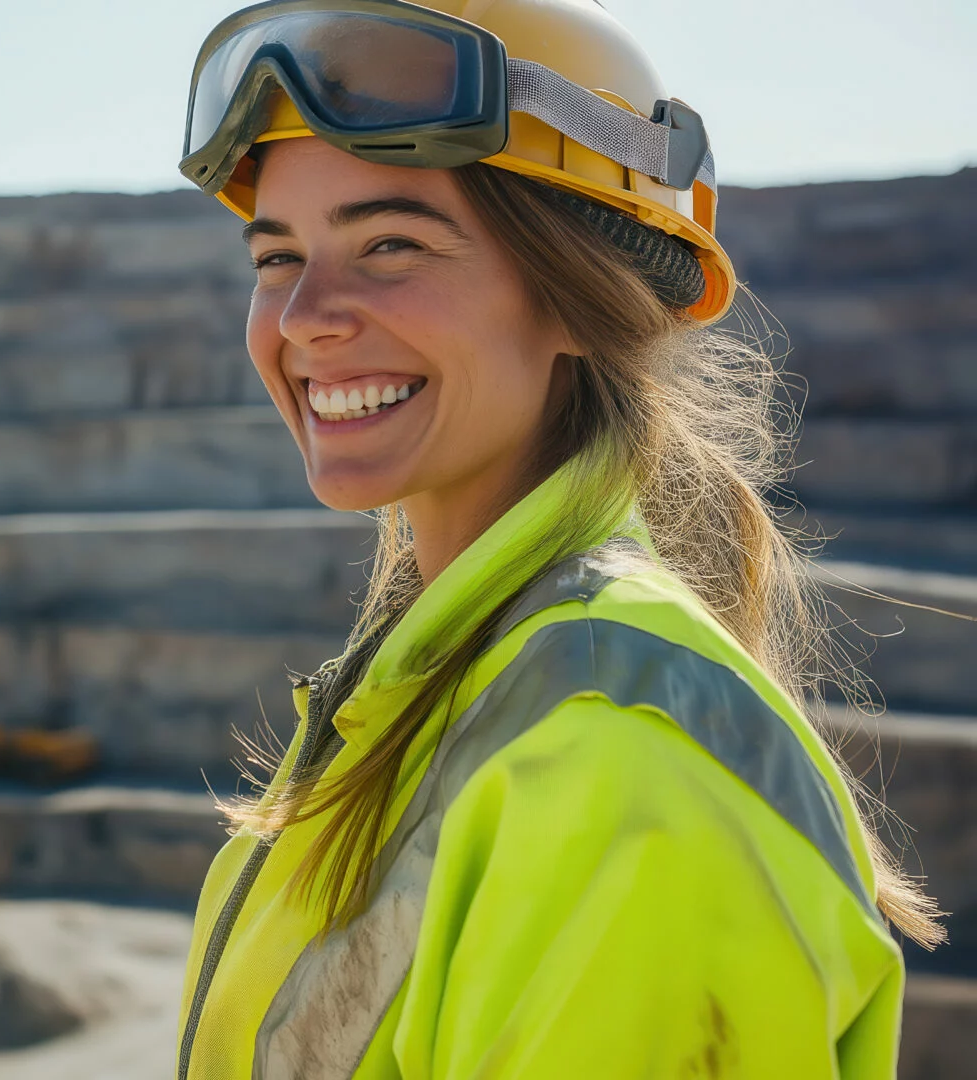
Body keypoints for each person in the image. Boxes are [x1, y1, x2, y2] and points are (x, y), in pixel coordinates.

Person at [171, 2, 942, 1077]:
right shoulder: (449, 688)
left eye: (391, 244)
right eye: (277, 256)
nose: (304, 315)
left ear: (581, 298)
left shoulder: (615, 758)